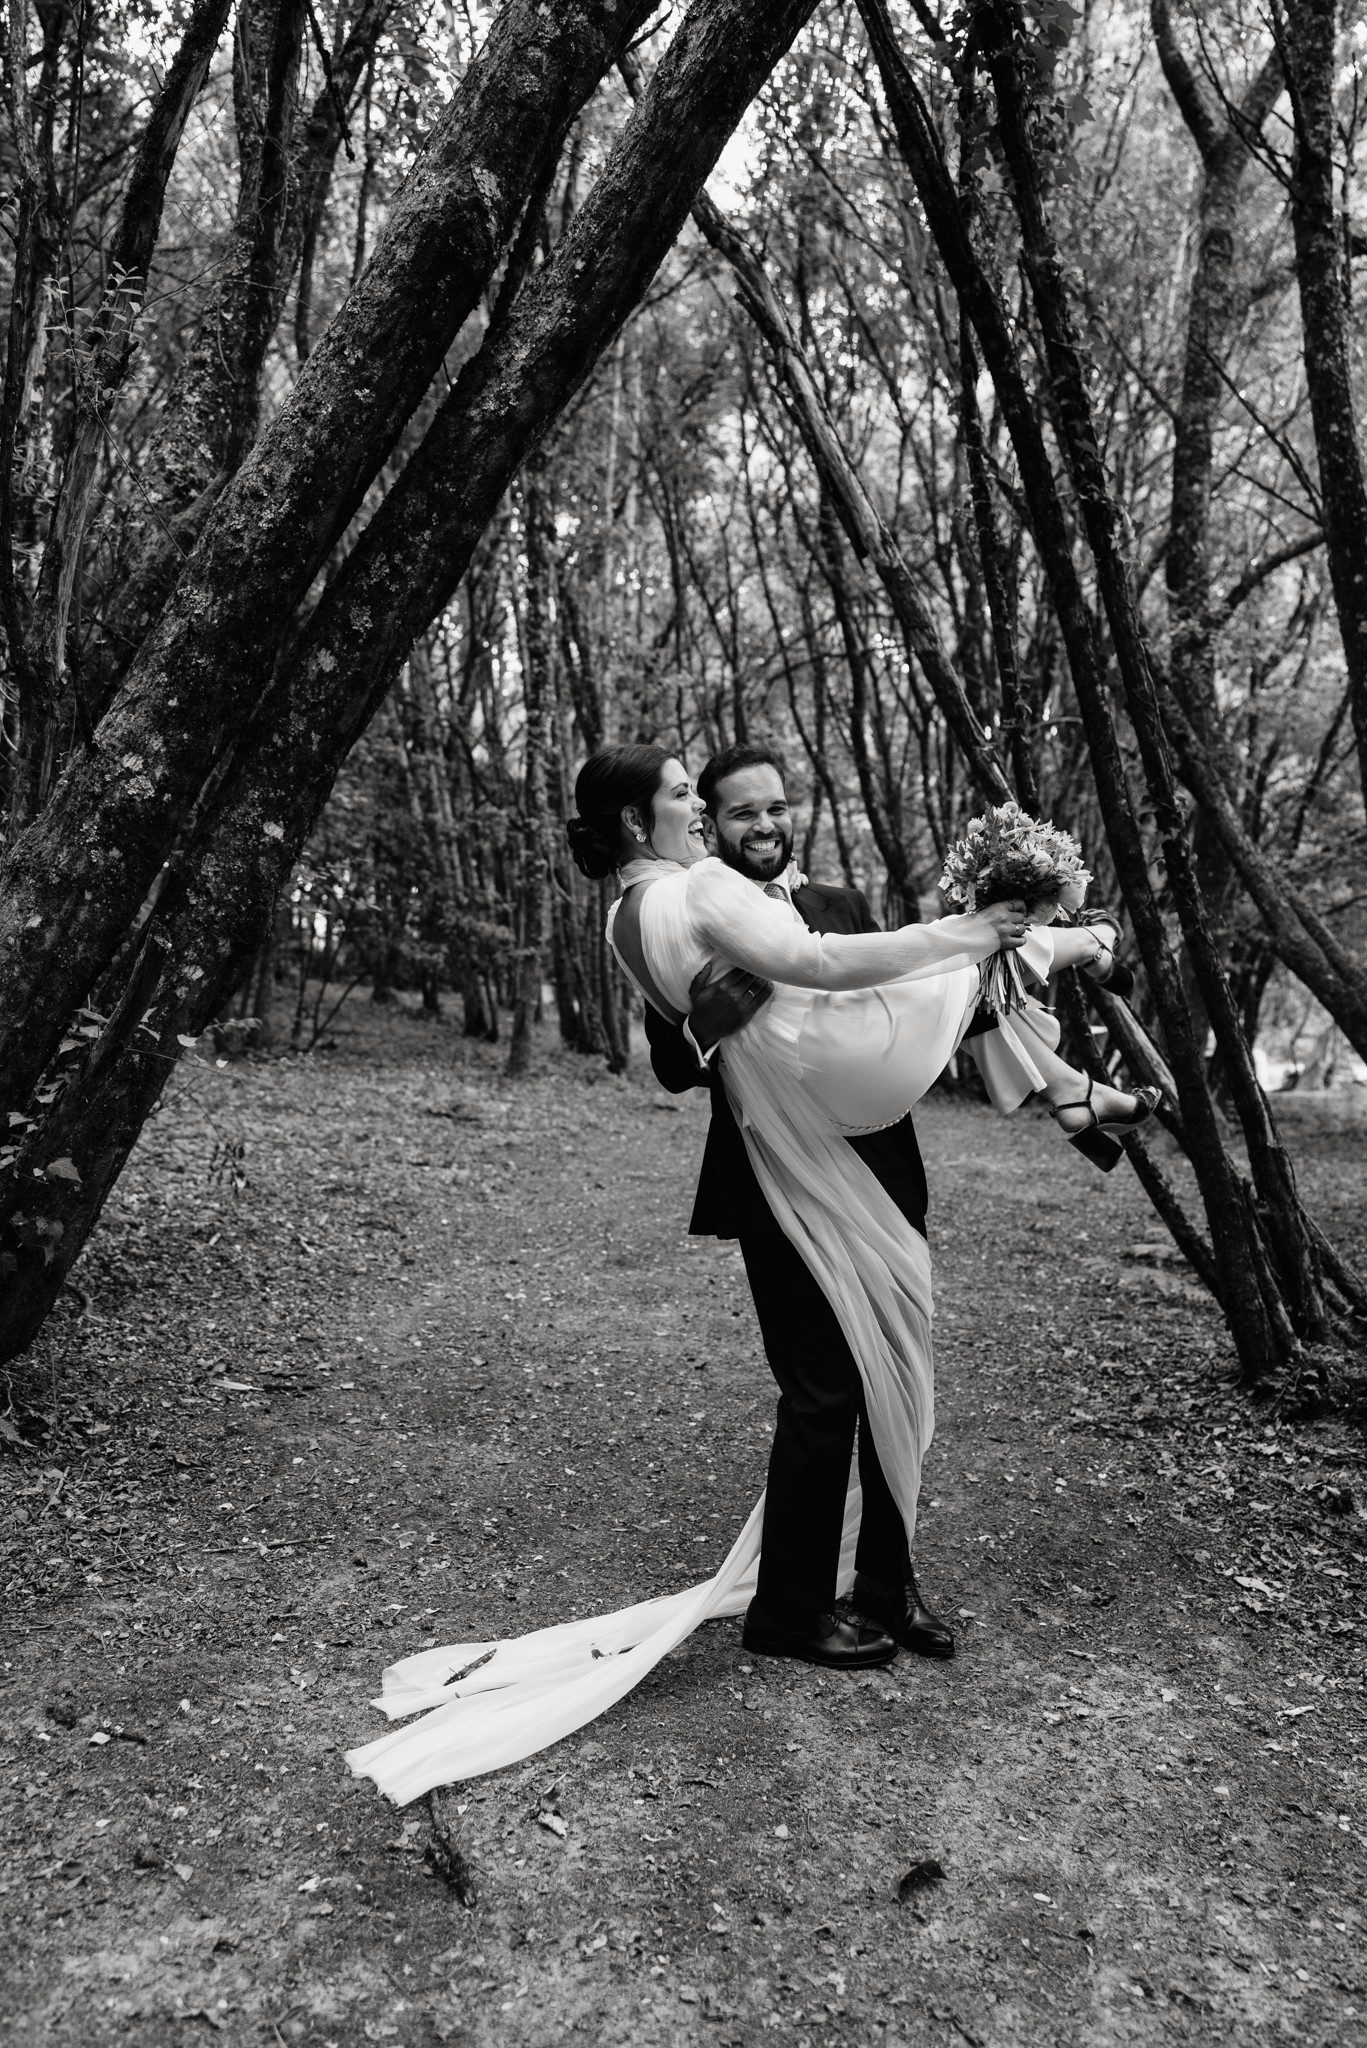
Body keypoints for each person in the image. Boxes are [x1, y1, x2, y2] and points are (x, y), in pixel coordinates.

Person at [345, 745, 1153, 1802]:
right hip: (775, 1164)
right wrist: (712, 1017)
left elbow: (872, 970)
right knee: (821, 1387)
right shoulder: (696, 894)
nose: (752, 820)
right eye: (717, 802)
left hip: (873, 1150)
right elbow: (684, 1053)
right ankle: (790, 1606)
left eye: (771, 806)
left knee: (891, 1368)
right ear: (684, 820)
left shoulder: (782, 896)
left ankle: (884, 1582)